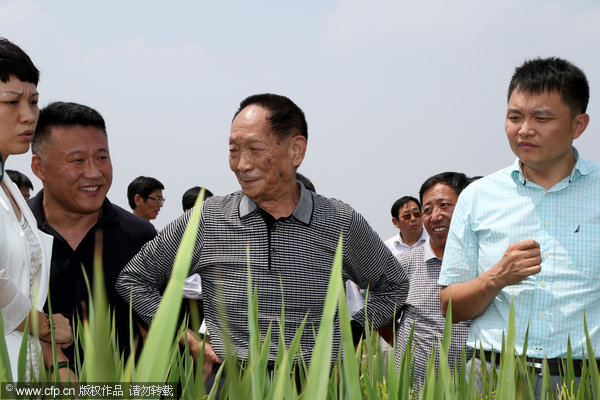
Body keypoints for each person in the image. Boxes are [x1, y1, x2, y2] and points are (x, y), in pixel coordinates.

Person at [117, 93, 407, 380]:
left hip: (315, 382)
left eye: (255, 149)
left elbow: (393, 286)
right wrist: (187, 340)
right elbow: (133, 279)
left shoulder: (339, 221)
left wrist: (351, 331)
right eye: (233, 150)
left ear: (296, 150)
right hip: (231, 381)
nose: (241, 164)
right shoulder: (209, 219)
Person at [439, 57, 599, 395]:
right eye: (514, 117)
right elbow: (450, 307)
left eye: (541, 118)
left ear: (578, 125)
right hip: (492, 374)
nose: (524, 129)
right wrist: (498, 277)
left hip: (584, 379)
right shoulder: (477, 197)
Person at [29, 101, 157, 364]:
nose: (94, 172)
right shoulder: (16, 233)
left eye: (102, 157)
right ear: (39, 167)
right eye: (77, 160)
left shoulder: (140, 236)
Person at [0, 37, 72, 382]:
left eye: (33, 101)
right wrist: (47, 327)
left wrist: (56, 361)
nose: (29, 116)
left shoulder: (9, 187)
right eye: (11, 102)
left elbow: (23, 286)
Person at [395, 172, 472, 388]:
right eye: (427, 210)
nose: (435, 216)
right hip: (415, 388)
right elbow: (384, 320)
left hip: (471, 388)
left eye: (444, 205)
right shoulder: (404, 264)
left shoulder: (484, 263)